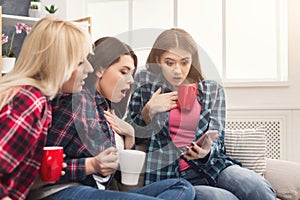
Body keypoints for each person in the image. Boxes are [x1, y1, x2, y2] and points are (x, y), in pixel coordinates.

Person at [28, 37, 195, 200]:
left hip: (96, 191)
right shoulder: (79, 101)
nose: (130, 81)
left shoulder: (106, 110)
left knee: (182, 187)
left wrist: (129, 137)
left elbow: (121, 179)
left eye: (132, 73)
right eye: (123, 72)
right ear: (100, 69)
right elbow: (41, 167)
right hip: (62, 190)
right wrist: (90, 165)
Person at [126, 28, 276, 200]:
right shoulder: (146, 84)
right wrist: (148, 111)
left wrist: (206, 152)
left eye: (184, 62)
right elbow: (131, 136)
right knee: (223, 198)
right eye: (170, 62)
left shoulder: (212, 90)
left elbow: (217, 139)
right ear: (158, 60)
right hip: (170, 175)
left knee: (258, 188)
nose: (178, 70)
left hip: (212, 165)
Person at [0, 16, 94, 200]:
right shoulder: (29, 101)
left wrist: (40, 175)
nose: (89, 69)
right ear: (60, 64)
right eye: (80, 62)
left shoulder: (34, 99)